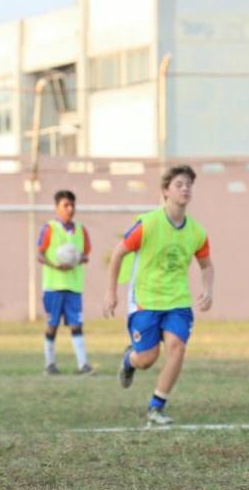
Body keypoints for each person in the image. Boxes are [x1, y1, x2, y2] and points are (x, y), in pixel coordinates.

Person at [104, 165, 214, 426]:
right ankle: (129, 360)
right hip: (145, 301)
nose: (185, 188)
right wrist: (111, 292)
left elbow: (207, 265)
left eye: (189, 184)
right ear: (166, 191)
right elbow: (119, 253)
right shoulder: (148, 223)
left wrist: (208, 290)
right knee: (147, 359)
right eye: (179, 184)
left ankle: (156, 407)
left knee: (177, 347)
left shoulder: (196, 232)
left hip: (177, 301)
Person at [36, 190, 93, 375]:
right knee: (52, 325)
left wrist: (76, 260)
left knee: (77, 325)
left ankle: (83, 365)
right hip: (54, 286)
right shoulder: (50, 228)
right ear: (57, 207)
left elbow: (85, 255)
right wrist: (55, 265)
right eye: (65, 205)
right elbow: (39, 254)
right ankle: (49, 364)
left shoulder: (81, 230)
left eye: (72, 205)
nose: (69, 209)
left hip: (74, 286)